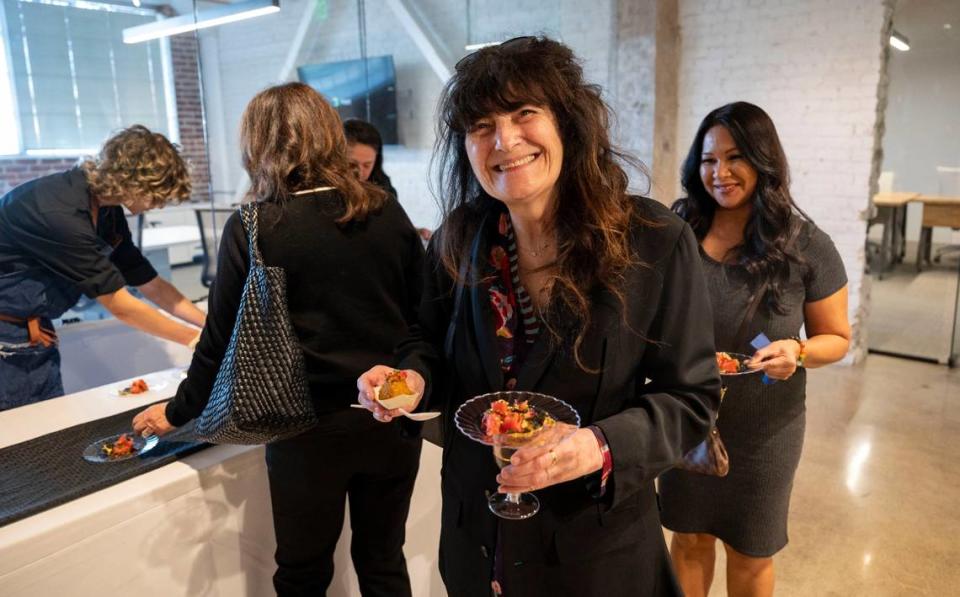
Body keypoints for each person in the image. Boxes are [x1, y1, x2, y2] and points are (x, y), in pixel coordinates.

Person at [357, 36, 721, 597]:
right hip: (478, 539)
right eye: (481, 126)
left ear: (569, 124)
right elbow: (423, 342)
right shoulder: (458, 239)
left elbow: (691, 398)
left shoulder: (653, 242)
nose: (504, 140)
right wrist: (408, 380)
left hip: (593, 548)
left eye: (524, 113)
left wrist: (599, 444)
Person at [132, 83, 425, 597]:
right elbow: (423, 315)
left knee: (303, 571)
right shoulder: (385, 212)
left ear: (259, 145)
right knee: (382, 560)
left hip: (303, 428)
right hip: (390, 414)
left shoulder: (256, 225)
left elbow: (218, 340)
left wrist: (178, 413)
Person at [659, 102, 852, 597]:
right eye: (708, 159)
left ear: (764, 160)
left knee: (750, 551)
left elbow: (837, 339)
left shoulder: (805, 243)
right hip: (688, 413)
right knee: (689, 537)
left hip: (766, 426)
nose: (719, 173)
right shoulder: (682, 228)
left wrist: (798, 351)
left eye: (735, 157)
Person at [0, 125, 205, 410]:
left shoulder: (107, 210)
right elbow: (120, 304)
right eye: (158, 195)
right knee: (24, 432)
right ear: (133, 181)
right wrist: (197, 341)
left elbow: (149, 282)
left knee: (47, 420)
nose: (159, 206)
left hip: (33, 324)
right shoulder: (60, 213)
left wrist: (209, 325)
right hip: (7, 332)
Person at [344, 118, 432, 242]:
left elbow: (392, 223)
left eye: (367, 165)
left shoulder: (383, 189)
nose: (359, 173)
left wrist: (412, 230)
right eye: (352, 164)